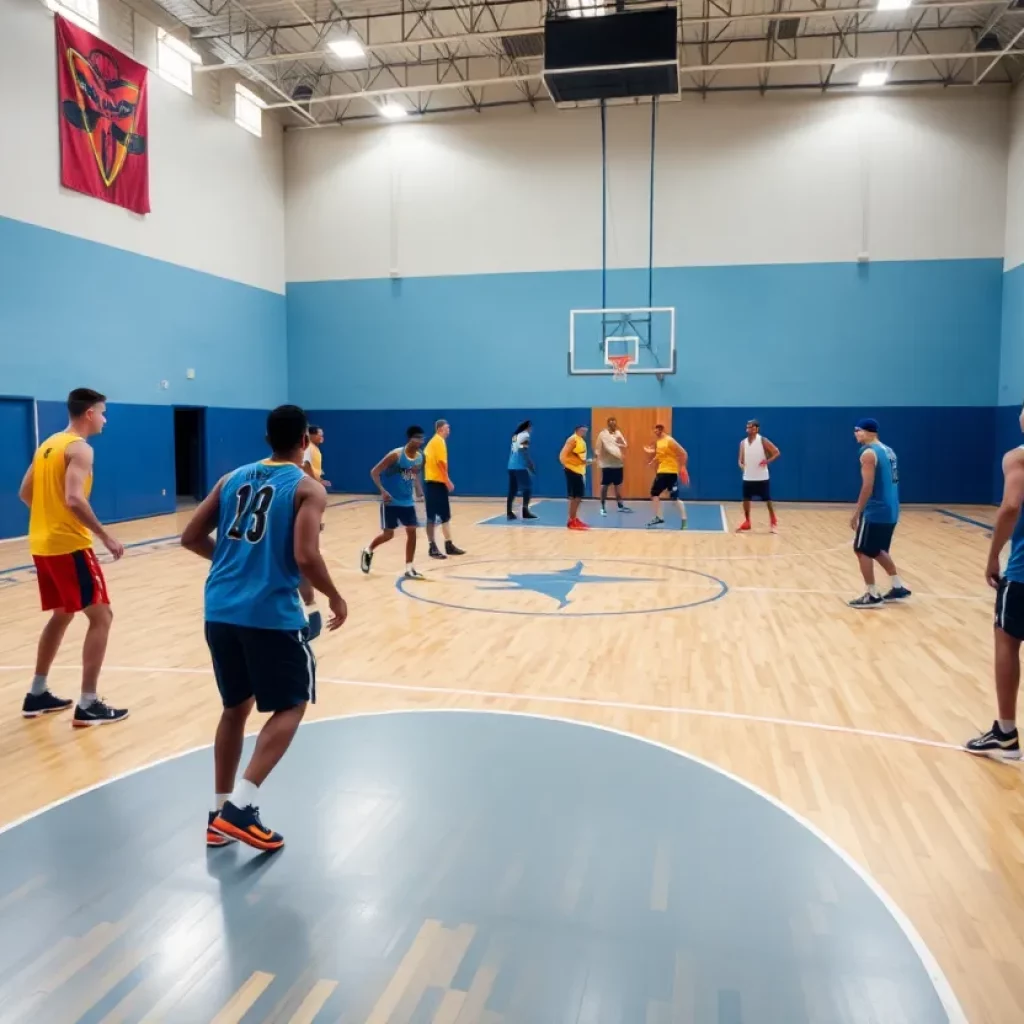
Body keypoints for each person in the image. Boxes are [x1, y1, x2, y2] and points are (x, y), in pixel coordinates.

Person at [181, 405, 347, 851]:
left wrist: (234, 564)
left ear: (267, 438)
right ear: (304, 441)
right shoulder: (307, 488)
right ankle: (241, 805)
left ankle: (217, 815)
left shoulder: (231, 478)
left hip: (219, 610)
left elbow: (190, 536)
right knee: (293, 702)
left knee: (235, 707)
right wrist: (334, 595)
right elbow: (306, 556)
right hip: (268, 614)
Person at [18, 388, 128, 726]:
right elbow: (74, 499)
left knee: (63, 614)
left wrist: (49, 519)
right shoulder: (80, 449)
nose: (105, 419)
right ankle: (89, 703)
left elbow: (25, 493)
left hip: (42, 543)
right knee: (102, 616)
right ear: (90, 413)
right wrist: (106, 536)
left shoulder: (48, 445)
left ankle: (36, 694)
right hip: (68, 545)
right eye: (103, 412)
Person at [966, 412, 1024, 760]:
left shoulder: (1017, 457)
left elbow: (1010, 507)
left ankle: (1005, 733)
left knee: (1007, 640)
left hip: (1021, 574)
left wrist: (992, 555)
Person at [847, 418, 911, 609]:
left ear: (868, 432)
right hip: (892, 508)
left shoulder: (868, 454)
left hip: (876, 510)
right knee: (877, 549)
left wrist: (857, 512)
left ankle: (872, 594)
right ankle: (897, 586)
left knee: (861, 549)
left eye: (857, 430)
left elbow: (868, 485)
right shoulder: (888, 451)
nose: (855, 434)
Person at [361, 426, 427, 580]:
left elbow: (414, 474)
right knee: (388, 535)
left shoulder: (420, 457)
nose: (421, 441)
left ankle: (409, 568)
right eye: (418, 438)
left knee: (412, 530)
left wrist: (419, 490)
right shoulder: (396, 455)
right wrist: (382, 490)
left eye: (422, 438)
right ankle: (368, 550)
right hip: (391, 502)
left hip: (407, 501)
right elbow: (374, 472)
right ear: (410, 438)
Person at [298, 426, 330, 639]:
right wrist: (316, 482)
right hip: (309, 495)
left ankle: (310, 607)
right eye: (321, 433)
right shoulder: (308, 450)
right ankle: (310, 608)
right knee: (304, 555)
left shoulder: (315, 450)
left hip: (311, 494)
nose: (323, 436)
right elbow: (306, 466)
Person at [423, 419, 466, 560]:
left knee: (444, 515)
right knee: (432, 517)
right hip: (434, 483)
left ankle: (448, 544)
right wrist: (447, 481)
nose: (449, 430)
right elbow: (441, 464)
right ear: (440, 429)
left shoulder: (434, 442)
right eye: (447, 428)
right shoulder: (438, 441)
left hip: (435, 483)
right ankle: (432, 547)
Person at [737, 419, 780, 534]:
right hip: (748, 476)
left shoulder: (763, 440)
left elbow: (776, 452)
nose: (748, 428)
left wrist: (767, 461)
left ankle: (773, 520)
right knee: (746, 499)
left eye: (751, 427)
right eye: (747, 426)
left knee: (767, 500)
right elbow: (740, 460)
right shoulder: (743, 443)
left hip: (762, 476)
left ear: (756, 429)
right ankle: (747, 521)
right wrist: (741, 465)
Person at [644, 425, 688, 530]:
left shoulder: (670, 440)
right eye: (654, 430)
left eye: (657, 430)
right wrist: (652, 462)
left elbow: (683, 453)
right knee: (668, 497)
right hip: (663, 471)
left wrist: (682, 467)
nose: (655, 431)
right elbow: (659, 455)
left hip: (669, 472)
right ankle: (664, 518)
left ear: (661, 430)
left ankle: (662, 517)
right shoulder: (659, 442)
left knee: (656, 494)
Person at [595, 417, 632, 516]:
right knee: (605, 486)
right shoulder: (603, 434)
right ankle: (602, 507)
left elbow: (625, 445)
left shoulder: (618, 433)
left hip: (618, 464)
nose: (613, 425)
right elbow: (598, 448)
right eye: (611, 424)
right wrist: (598, 459)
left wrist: (620, 443)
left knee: (618, 486)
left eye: (614, 424)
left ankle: (620, 506)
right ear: (608, 424)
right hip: (607, 465)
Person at [560, 425, 591, 531]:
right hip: (573, 471)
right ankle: (572, 520)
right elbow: (563, 456)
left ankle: (573, 519)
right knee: (575, 497)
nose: (584, 432)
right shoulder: (572, 439)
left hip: (579, 471)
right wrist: (574, 465)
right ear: (577, 430)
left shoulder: (580, 440)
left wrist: (585, 462)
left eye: (585, 430)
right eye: (582, 430)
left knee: (577, 497)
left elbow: (578, 457)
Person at [507, 420, 537, 520]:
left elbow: (517, 448)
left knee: (512, 489)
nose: (531, 429)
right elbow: (522, 450)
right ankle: (525, 511)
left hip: (511, 465)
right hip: (519, 466)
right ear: (528, 427)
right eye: (531, 427)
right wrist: (530, 463)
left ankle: (509, 512)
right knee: (527, 488)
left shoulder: (515, 435)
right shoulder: (525, 435)